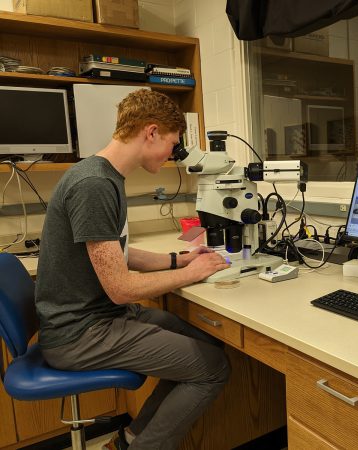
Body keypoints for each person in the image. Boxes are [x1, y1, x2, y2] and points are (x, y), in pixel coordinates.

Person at [35, 89, 231, 450]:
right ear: (151, 132)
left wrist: (179, 260)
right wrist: (194, 273)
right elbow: (121, 288)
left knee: (203, 343)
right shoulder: (94, 185)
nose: (174, 154)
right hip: (81, 334)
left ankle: (129, 440)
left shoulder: (102, 174)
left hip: (96, 318)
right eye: (172, 143)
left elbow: (118, 254)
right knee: (212, 368)